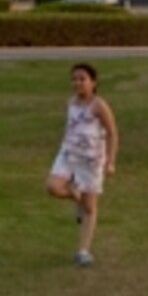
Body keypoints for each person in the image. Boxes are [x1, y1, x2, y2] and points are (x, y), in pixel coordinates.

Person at [46, 61, 119, 267]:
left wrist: (110, 161)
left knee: (90, 207)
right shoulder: (71, 102)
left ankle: (83, 251)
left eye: (82, 79)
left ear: (93, 83)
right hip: (69, 155)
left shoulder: (99, 106)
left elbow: (112, 133)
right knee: (53, 187)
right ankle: (76, 196)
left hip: (91, 161)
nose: (77, 83)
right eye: (74, 79)